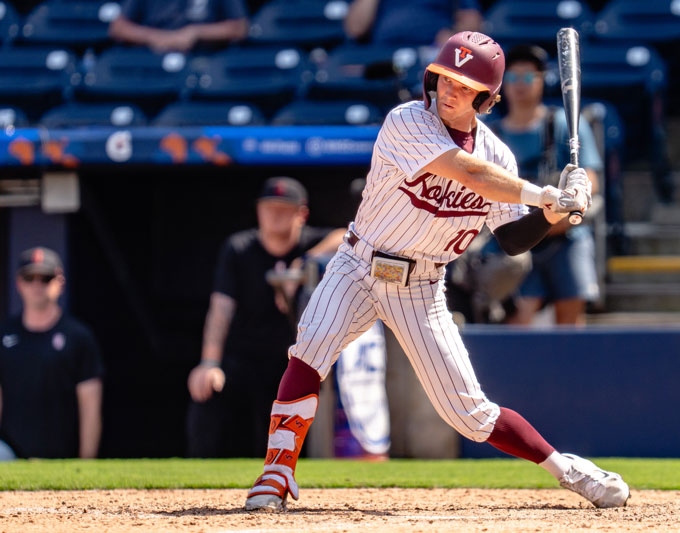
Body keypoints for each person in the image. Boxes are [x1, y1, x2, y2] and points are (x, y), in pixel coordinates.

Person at [244, 31, 629, 512]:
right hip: (358, 265)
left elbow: (512, 240)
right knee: (310, 349)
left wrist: (556, 214)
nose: (449, 91)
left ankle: (570, 471)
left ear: (485, 97)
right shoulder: (408, 120)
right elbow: (466, 173)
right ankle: (276, 472)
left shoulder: (500, 157)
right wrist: (543, 194)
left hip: (421, 287)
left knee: (468, 412)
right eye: (445, 78)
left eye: (464, 85)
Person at [186, 177, 346, 457]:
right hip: (244, 356)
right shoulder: (239, 248)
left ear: (301, 214)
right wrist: (209, 362)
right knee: (208, 388)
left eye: (284, 209)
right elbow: (220, 310)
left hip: (291, 359)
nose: (275, 215)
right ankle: (196, 477)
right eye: (269, 207)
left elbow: (348, 235)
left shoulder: (309, 243)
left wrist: (305, 264)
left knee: (302, 400)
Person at [486, 44, 603, 326]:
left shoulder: (563, 123)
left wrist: (570, 201)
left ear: (541, 80)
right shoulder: (492, 134)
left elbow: (590, 178)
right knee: (520, 317)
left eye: (528, 77)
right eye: (512, 78)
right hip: (517, 237)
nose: (520, 85)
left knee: (570, 316)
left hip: (564, 235)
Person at [0, 247, 103, 460]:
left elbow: (90, 407)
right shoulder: (4, 335)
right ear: (19, 283)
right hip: (9, 452)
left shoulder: (78, 337)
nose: (37, 285)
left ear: (60, 282)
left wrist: (86, 463)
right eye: (30, 278)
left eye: (45, 278)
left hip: (61, 457)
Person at [109, 0, 249, 53]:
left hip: (202, 58)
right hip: (151, 58)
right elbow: (119, 27)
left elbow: (240, 27)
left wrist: (195, 32)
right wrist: (154, 37)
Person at [344, 0, 483, 46]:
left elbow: (471, 20)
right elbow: (355, 29)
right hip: (383, 52)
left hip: (432, 49)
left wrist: (453, 36)